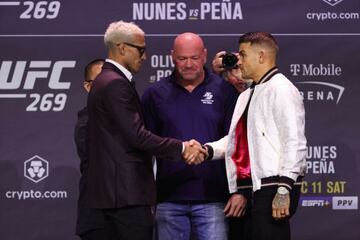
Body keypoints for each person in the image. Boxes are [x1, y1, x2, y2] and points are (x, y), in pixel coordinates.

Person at [85, 21, 206, 240]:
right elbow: (137, 136)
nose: (144, 56)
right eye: (140, 49)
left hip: (115, 194)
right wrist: (181, 147)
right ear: (122, 48)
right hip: (126, 195)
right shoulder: (114, 83)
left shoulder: (105, 80)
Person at [205, 32, 307, 240]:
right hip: (252, 188)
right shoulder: (248, 94)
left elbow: (294, 142)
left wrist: (284, 189)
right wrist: (207, 150)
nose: (239, 61)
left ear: (261, 56)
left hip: (273, 187)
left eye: (243, 55)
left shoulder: (281, 89)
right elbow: (239, 140)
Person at [141, 32, 239, 240]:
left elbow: (235, 141)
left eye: (194, 58)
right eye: (182, 58)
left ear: (204, 56)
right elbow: (146, 147)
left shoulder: (225, 91)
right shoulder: (154, 94)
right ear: (172, 57)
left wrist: (238, 191)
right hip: (168, 198)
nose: (188, 64)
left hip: (213, 197)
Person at [74, 58, 105, 240]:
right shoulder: (85, 124)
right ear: (88, 87)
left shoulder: (132, 118)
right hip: (97, 219)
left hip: (128, 219)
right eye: (100, 82)